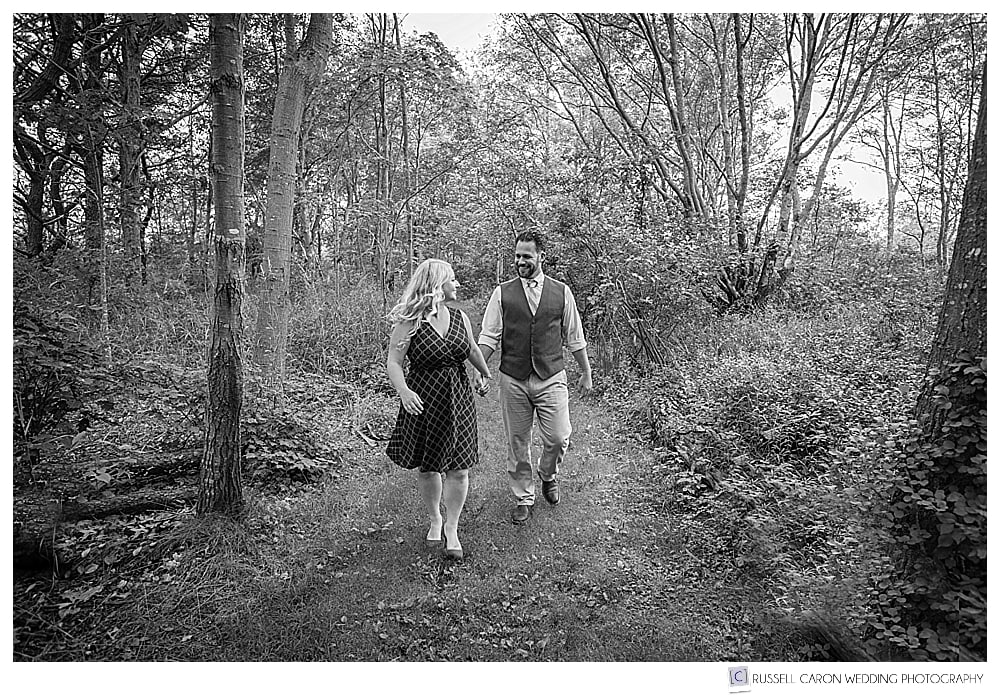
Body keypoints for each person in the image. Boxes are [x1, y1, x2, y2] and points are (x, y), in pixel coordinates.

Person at [477, 230, 593, 525]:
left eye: (526, 256)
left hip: (551, 376)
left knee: (558, 436)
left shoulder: (561, 292)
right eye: (517, 256)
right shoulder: (502, 293)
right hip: (513, 378)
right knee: (517, 441)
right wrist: (481, 369)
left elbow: (574, 336)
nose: (520, 261)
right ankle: (524, 496)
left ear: (541, 256)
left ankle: (548, 474)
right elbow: (489, 336)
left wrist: (586, 372)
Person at [386, 259, 491, 561]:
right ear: (437, 285)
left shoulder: (459, 316)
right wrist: (404, 391)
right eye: (452, 279)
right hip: (425, 399)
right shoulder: (410, 321)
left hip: (458, 398)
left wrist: (483, 373)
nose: (457, 284)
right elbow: (394, 362)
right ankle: (435, 519)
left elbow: (472, 349)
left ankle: (452, 528)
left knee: (460, 466)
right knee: (430, 466)